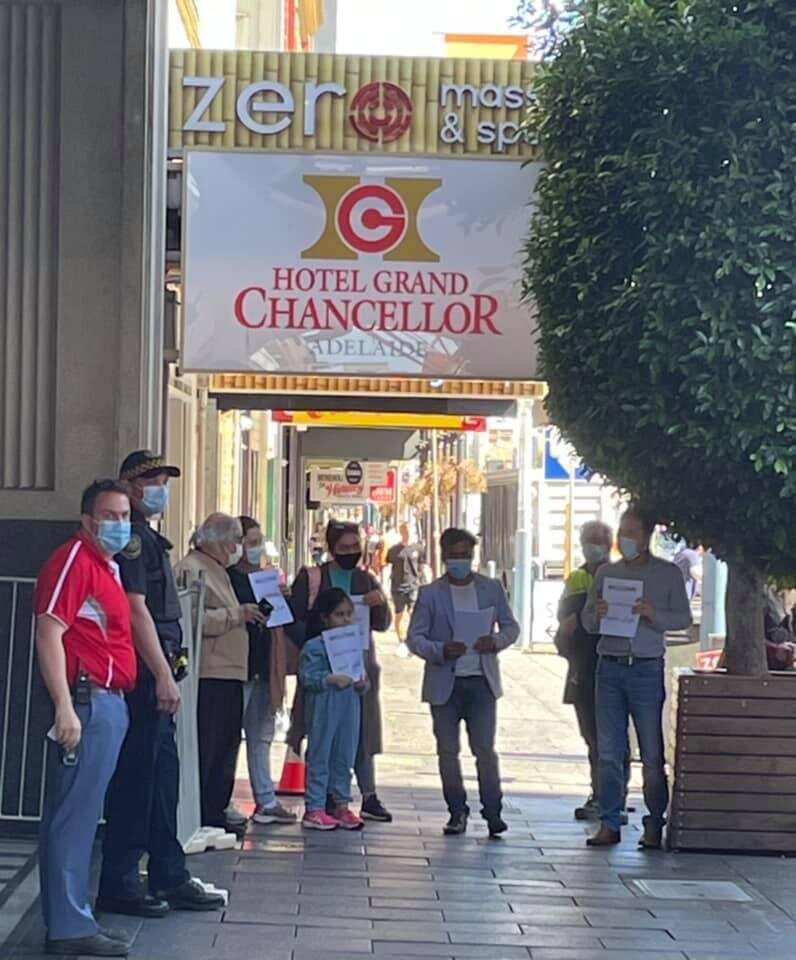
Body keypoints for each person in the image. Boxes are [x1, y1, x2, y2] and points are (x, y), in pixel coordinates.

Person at [34, 480, 138, 956]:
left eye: (124, 514)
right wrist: (64, 705)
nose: (119, 523)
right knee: (72, 816)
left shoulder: (106, 567)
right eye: (110, 515)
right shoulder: (75, 561)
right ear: (87, 518)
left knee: (79, 813)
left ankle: (72, 919)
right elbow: (49, 631)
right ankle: (69, 926)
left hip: (106, 700)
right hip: (88, 700)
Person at [582, 504, 692, 849]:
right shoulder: (605, 574)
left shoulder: (668, 574)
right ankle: (610, 822)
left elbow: (683, 619)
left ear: (647, 536)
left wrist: (652, 614)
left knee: (650, 751)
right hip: (610, 667)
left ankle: (654, 823)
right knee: (610, 751)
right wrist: (596, 614)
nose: (625, 540)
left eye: (632, 533)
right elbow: (587, 622)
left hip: (645, 666)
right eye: (622, 533)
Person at [407, 527, 520, 838]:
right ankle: (456, 811)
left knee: (485, 749)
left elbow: (511, 627)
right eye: (454, 555)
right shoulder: (431, 594)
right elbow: (414, 637)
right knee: (447, 751)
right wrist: (440, 649)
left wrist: (495, 641)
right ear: (444, 557)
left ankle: (493, 811)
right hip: (446, 682)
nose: (460, 560)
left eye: (465, 555)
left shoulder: (491, 589)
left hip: (481, 681)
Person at [289, 520, 393, 823]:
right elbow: (295, 621)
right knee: (321, 740)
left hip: (357, 666)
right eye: (344, 548)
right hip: (324, 668)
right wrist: (318, 643)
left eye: (355, 547)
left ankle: (357, 796)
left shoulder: (366, 580)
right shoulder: (314, 577)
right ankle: (319, 803)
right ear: (332, 549)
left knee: (359, 733)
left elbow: (381, 622)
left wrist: (380, 603)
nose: (351, 553)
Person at [174, 514, 268, 833]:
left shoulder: (219, 571)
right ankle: (203, 813)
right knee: (210, 745)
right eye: (235, 539)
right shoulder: (192, 569)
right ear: (216, 539)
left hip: (230, 673)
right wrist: (236, 614)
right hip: (209, 674)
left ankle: (215, 809)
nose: (238, 547)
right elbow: (192, 619)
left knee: (226, 746)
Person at [227, 515, 297, 825]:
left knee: (261, 735)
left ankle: (266, 799)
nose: (254, 549)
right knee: (228, 737)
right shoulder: (226, 578)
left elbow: (277, 621)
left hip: (264, 666)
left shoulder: (266, 578)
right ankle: (222, 798)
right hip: (236, 667)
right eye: (248, 542)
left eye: (258, 541)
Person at [555, 521, 613, 822]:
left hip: (610, 664)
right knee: (591, 736)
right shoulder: (577, 577)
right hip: (582, 666)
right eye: (587, 540)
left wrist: (578, 618)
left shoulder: (619, 577)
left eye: (597, 540)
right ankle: (599, 793)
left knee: (610, 738)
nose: (592, 546)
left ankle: (610, 796)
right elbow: (564, 619)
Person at [299, 588, 369, 831]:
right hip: (324, 705)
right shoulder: (314, 647)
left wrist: (362, 682)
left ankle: (340, 803)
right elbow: (307, 678)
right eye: (339, 615)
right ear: (325, 618)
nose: (346, 620)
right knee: (320, 753)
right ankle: (315, 807)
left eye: (349, 614)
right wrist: (328, 679)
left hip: (349, 704)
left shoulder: (354, 644)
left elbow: (362, 678)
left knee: (344, 755)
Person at [385, 522, 429, 649]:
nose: (408, 533)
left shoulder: (418, 548)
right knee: (399, 614)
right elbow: (388, 565)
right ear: (401, 532)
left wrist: (425, 580)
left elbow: (422, 566)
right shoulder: (393, 550)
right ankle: (401, 639)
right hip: (397, 585)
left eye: (410, 531)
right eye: (405, 531)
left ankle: (412, 636)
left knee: (413, 611)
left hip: (413, 584)